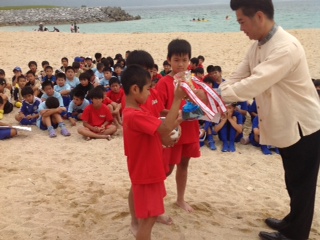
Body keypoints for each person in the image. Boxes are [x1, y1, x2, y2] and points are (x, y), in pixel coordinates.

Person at [220, 1, 320, 239]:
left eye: (242, 22)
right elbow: (237, 76)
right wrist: (217, 92)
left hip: (303, 125)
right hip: (286, 123)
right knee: (292, 180)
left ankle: (296, 235)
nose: (241, 28)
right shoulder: (257, 46)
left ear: (260, 17)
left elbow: (255, 83)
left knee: (302, 186)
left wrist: (216, 94)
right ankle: (289, 223)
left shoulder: (285, 48)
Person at [122, 65, 185, 239]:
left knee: (150, 218)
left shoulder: (138, 111)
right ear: (135, 89)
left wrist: (182, 117)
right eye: (148, 89)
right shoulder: (134, 115)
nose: (150, 93)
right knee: (148, 221)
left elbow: (161, 130)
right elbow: (164, 129)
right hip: (147, 173)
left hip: (150, 171)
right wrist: (178, 99)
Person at [156, 39, 201, 212]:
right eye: (176, 60)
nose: (181, 64)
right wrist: (179, 114)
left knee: (184, 165)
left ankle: (180, 199)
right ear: (169, 60)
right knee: (165, 168)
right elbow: (159, 110)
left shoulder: (193, 80)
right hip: (172, 131)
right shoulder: (163, 83)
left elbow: (199, 103)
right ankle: (157, 202)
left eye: (184, 60)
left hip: (190, 130)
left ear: (189, 60)